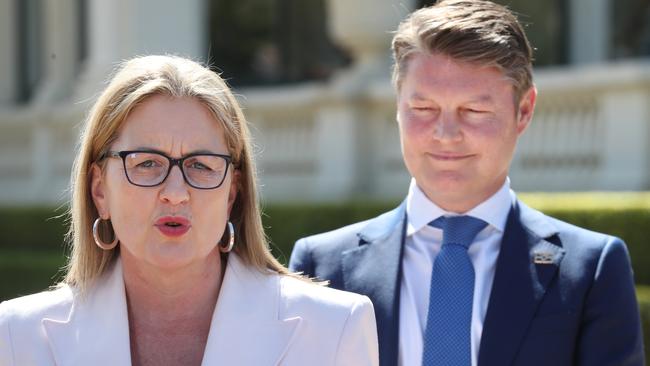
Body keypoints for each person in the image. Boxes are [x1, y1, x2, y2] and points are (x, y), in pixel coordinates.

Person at [289, 1, 645, 366]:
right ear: (398, 106)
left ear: (523, 111)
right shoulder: (322, 267)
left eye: (474, 111)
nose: (445, 134)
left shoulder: (592, 270)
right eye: (424, 109)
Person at [0, 55, 378, 366]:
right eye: (147, 163)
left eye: (201, 164)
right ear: (100, 190)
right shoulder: (17, 337)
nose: (176, 193)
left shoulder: (334, 329)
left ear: (232, 191)